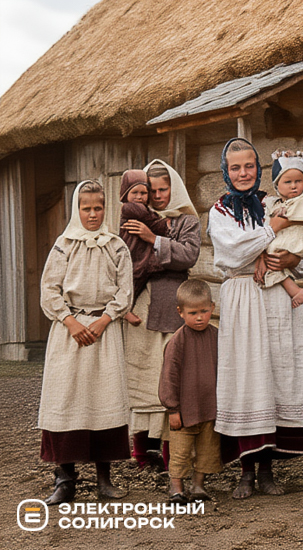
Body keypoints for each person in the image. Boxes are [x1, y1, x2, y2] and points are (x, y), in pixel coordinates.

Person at [209, 138, 303, 499]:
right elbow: (233, 250)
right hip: (242, 297)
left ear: (259, 169)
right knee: (248, 378)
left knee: (276, 376)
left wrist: (292, 260)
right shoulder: (221, 210)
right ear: (226, 170)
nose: (243, 173)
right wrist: (269, 231)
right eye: (236, 167)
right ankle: (245, 471)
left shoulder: (278, 203)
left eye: (249, 166)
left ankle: (268, 470)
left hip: (276, 300)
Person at [38, 180, 133, 504]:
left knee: (102, 400)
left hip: (103, 334)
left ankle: (104, 479)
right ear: (77, 210)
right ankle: (65, 479)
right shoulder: (64, 245)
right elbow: (49, 289)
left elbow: (124, 290)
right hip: (70, 334)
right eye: (86, 208)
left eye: (98, 207)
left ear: (106, 209)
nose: (92, 214)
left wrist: (105, 320)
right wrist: (71, 322)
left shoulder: (116, 245)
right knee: (66, 399)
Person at [120, 160, 201, 471]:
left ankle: (172, 455)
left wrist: (153, 238)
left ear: (174, 188)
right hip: (141, 304)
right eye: (151, 190)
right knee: (143, 375)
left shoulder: (186, 221)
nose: (156, 195)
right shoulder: (137, 215)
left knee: (171, 379)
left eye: (163, 189)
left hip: (172, 304)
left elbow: (188, 255)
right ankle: (142, 452)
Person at [158, 279, 221, 503]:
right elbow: (169, 377)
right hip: (183, 412)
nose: (199, 317)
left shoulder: (217, 337)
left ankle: (198, 485)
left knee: (207, 450)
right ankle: (176, 488)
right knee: (180, 452)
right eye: (192, 312)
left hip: (209, 408)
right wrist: (172, 409)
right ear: (181, 312)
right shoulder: (177, 341)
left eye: (204, 311)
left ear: (212, 308)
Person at [255, 150, 303, 308]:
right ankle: (295, 290)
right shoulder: (275, 202)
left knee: (272, 256)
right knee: (272, 261)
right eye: (288, 182)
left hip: (292, 242)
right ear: (276, 184)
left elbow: (288, 219)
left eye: (298, 181)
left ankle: (295, 290)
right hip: (283, 240)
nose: (294, 186)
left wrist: (280, 215)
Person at [118, 169, 169, 326]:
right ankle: (124, 309)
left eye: (144, 193)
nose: (139, 197)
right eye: (134, 192)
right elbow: (152, 221)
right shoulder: (129, 208)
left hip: (142, 253)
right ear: (125, 194)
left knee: (140, 281)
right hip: (132, 253)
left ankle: (128, 307)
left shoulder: (142, 209)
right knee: (132, 280)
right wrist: (164, 224)